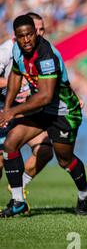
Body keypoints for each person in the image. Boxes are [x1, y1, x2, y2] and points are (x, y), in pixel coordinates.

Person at [0, 14, 87, 217]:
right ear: (16, 37)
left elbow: (45, 96)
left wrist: (13, 111)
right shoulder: (17, 49)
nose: (26, 40)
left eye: (30, 35)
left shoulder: (46, 55)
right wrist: (7, 108)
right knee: (10, 144)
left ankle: (85, 192)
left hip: (63, 112)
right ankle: (18, 201)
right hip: (41, 110)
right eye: (21, 36)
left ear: (36, 33)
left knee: (64, 161)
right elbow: (15, 75)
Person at [0, 12, 54, 194]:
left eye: (40, 30)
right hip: (5, 110)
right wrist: (11, 84)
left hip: (25, 111)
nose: (38, 33)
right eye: (34, 30)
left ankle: (18, 190)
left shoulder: (43, 51)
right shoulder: (8, 49)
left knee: (45, 150)